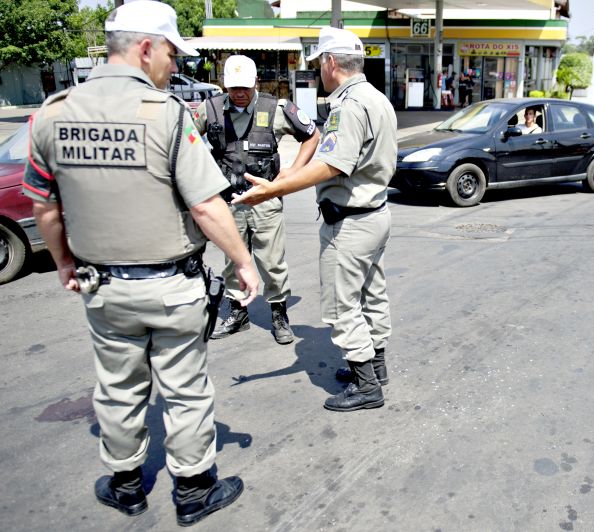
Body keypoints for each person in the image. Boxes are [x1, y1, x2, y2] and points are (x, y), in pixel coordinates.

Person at [22, 1, 260, 526]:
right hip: (171, 288)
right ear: (146, 48)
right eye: (172, 53)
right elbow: (204, 205)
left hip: (102, 287)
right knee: (186, 389)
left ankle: (126, 485)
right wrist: (243, 262)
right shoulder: (168, 114)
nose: (174, 65)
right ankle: (194, 491)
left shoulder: (53, 113)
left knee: (117, 386)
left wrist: (63, 263)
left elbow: (44, 206)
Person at [233, 26, 396, 413]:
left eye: (318, 63)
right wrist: (286, 176)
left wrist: (274, 190)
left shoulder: (348, 105)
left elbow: (332, 165)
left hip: (351, 223)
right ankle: (376, 365)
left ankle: (366, 384)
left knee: (341, 307)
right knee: (373, 296)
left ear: (330, 62)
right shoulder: (376, 98)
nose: (318, 71)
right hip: (375, 214)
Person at [193, 55, 320, 344]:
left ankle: (279, 314)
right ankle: (238, 312)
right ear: (224, 84)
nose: (239, 92)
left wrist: (292, 172)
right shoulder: (210, 109)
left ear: (256, 83)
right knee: (231, 260)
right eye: (233, 87)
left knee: (273, 262)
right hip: (227, 202)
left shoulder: (274, 108)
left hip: (266, 201)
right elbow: (184, 138)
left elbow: (312, 136)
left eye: (245, 87)